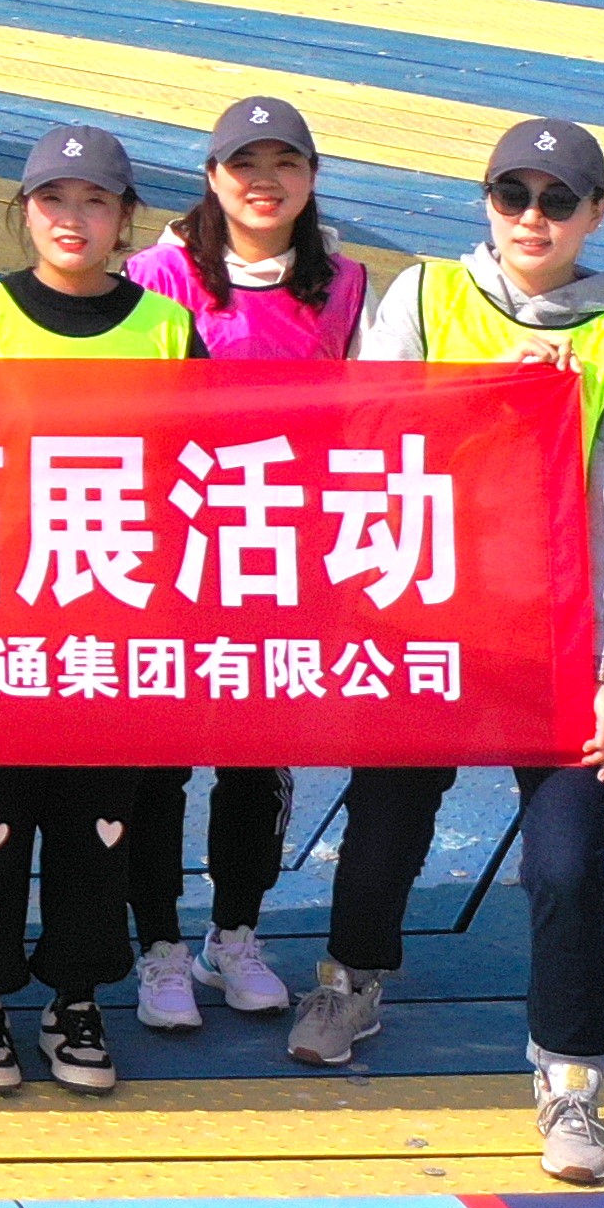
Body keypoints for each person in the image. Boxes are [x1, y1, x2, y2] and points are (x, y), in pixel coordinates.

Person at [300, 116, 604, 1189]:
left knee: (566, 862)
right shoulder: (424, 297)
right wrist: (489, 395)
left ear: (596, 216)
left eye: (559, 201)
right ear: (487, 203)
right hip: (427, 617)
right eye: (514, 195)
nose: (532, 218)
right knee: (385, 815)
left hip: (553, 639)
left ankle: (571, 1079)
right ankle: (352, 980)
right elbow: (362, 437)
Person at [0, 125, 191, 1101]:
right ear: (24, 211)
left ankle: (76, 994)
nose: (72, 219)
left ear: (126, 219)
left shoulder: (165, 329)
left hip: (119, 629)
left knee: (100, 827)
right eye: (53, 199)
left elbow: (212, 467)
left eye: (95, 201)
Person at [123, 93, 354, 1030]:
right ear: (211, 177)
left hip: (280, 553)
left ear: (312, 177)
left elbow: (382, 410)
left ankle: (235, 933)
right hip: (168, 554)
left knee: (257, 760)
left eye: (284, 163)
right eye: (243, 164)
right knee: (159, 761)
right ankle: (159, 946)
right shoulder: (155, 275)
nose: (264, 182)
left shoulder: (344, 282)